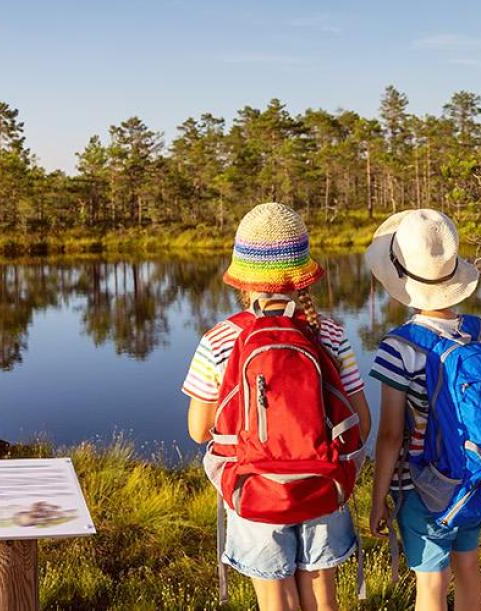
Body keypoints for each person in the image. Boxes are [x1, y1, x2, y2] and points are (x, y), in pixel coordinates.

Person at [184, 203, 371, 611]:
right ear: (302, 274)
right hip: (324, 485)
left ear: (243, 279)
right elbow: (362, 424)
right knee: (323, 596)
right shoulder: (331, 333)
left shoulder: (219, 339)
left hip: (254, 488)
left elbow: (199, 431)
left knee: (276, 598)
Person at [363, 209, 481, 611]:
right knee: (468, 567)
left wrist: (377, 496)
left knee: (431, 585)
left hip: (421, 486)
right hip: (472, 477)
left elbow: (389, 435)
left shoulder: (399, 346)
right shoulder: (476, 329)